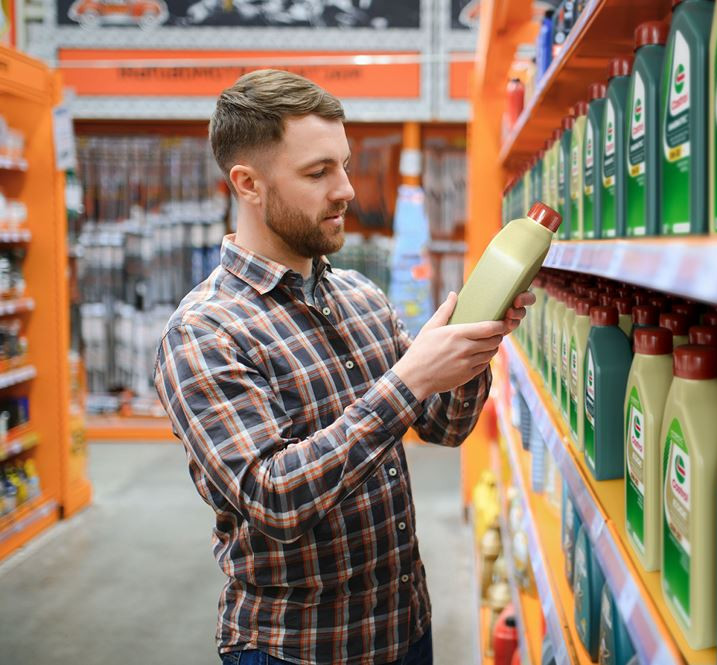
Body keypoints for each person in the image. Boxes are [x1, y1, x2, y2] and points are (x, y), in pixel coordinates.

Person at [153, 69, 533, 665]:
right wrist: (407, 380)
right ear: (248, 183)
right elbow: (273, 500)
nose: (347, 189)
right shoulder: (205, 333)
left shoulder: (359, 295)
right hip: (296, 649)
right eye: (317, 172)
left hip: (404, 629)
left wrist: (473, 345)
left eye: (344, 165)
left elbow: (443, 427)